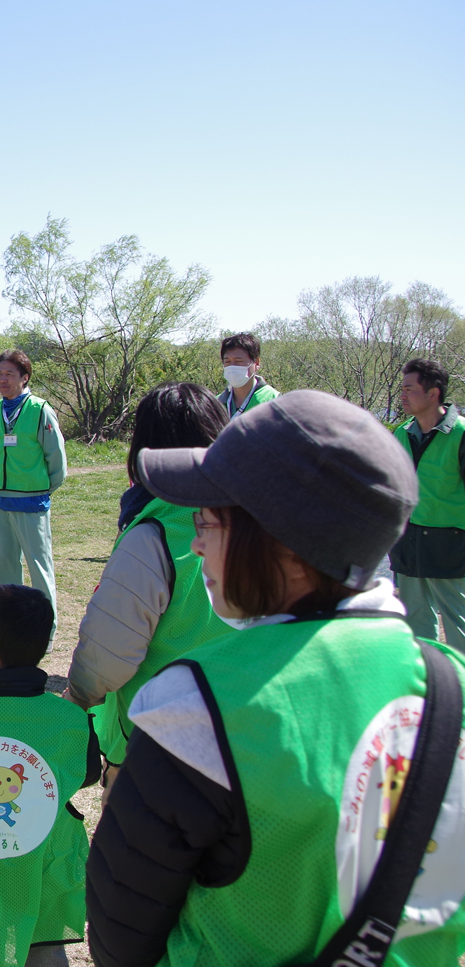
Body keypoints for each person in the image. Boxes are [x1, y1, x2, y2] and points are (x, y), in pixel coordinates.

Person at [87, 390, 465, 967]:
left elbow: (121, 931)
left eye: (210, 520)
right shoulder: (450, 683)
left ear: (285, 549)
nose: (196, 541)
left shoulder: (196, 704)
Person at [64, 383, 232, 780]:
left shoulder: (154, 532)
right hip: (242, 731)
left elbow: (111, 647)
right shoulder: (256, 516)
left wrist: (77, 697)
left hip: (157, 742)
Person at [0, 585, 99, 967]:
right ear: (43, 647)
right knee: (45, 950)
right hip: (47, 865)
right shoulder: (70, 720)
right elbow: (88, 775)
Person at [0, 350, 66, 635]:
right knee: (5, 568)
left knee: (39, 569)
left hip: (31, 502)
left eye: (10, 374)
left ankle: (46, 631)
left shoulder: (40, 410)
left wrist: (40, 489)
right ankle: (7, 629)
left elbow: (58, 462)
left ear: (25, 377)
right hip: (0, 501)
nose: (3, 380)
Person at [390, 357, 465, 651]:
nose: (403, 395)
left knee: (458, 625)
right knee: (416, 627)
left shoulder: (461, 434)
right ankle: (431, 689)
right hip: (408, 543)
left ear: (433, 393)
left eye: (409, 389)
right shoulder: (401, 433)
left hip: (450, 544)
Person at [218, 332, 278, 420]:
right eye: (227, 362)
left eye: (239, 361)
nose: (232, 367)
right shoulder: (216, 404)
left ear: (256, 363)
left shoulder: (274, 400)